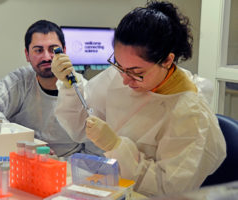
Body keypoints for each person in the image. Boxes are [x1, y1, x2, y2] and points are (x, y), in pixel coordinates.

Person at [51, 1, 226, 197]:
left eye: (137, 73)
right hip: (114, 187)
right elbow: (80, 126)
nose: (125, 80)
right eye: (118, 65)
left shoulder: (190, 115)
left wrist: (116, 147)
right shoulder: (124, 73)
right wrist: (68, 85)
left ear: (167, 60)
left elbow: (168, 189)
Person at [0, 20, 103, 158]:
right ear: (27, 54)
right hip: (24, 161)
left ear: (64, 52)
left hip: (66, 168)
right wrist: (27, 142)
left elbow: (96, 149)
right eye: (38, 50)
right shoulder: (21, 81)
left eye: (53, 50)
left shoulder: (82, 89)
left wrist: (61, 165)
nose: (47, 57)